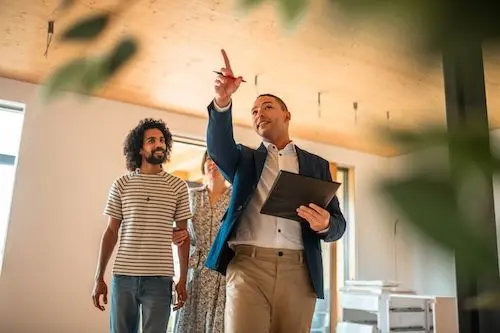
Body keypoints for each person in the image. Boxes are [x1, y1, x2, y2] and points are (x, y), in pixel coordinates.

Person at [205, 50, 347, 333]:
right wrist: (222, 101)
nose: (259, 114)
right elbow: (218, 146)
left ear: (286, 114)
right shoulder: (243, 160)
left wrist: (325, 224)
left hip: (300, 272)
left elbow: (338, 225)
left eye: (267, 107)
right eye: (254, 111)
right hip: (248, 269)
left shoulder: (317, 166)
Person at [91, 118, 192, 333]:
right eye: (151, 140)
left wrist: (183, 278)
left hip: (160, 280)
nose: (159, 145)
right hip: (123, 278)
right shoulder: (122, 184)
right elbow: (110, 232)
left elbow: (183, 236)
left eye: (162, 140)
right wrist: (99, 277)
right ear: (139, 148)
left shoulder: (178, 187)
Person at [174, 151, 232, 333]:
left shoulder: (236, 199)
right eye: (208, 159)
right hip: (195, 274)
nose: (212, 163)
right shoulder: (190, 196)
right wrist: (174, 236)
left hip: (224, 274)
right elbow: (179, 233)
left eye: (217, 159)